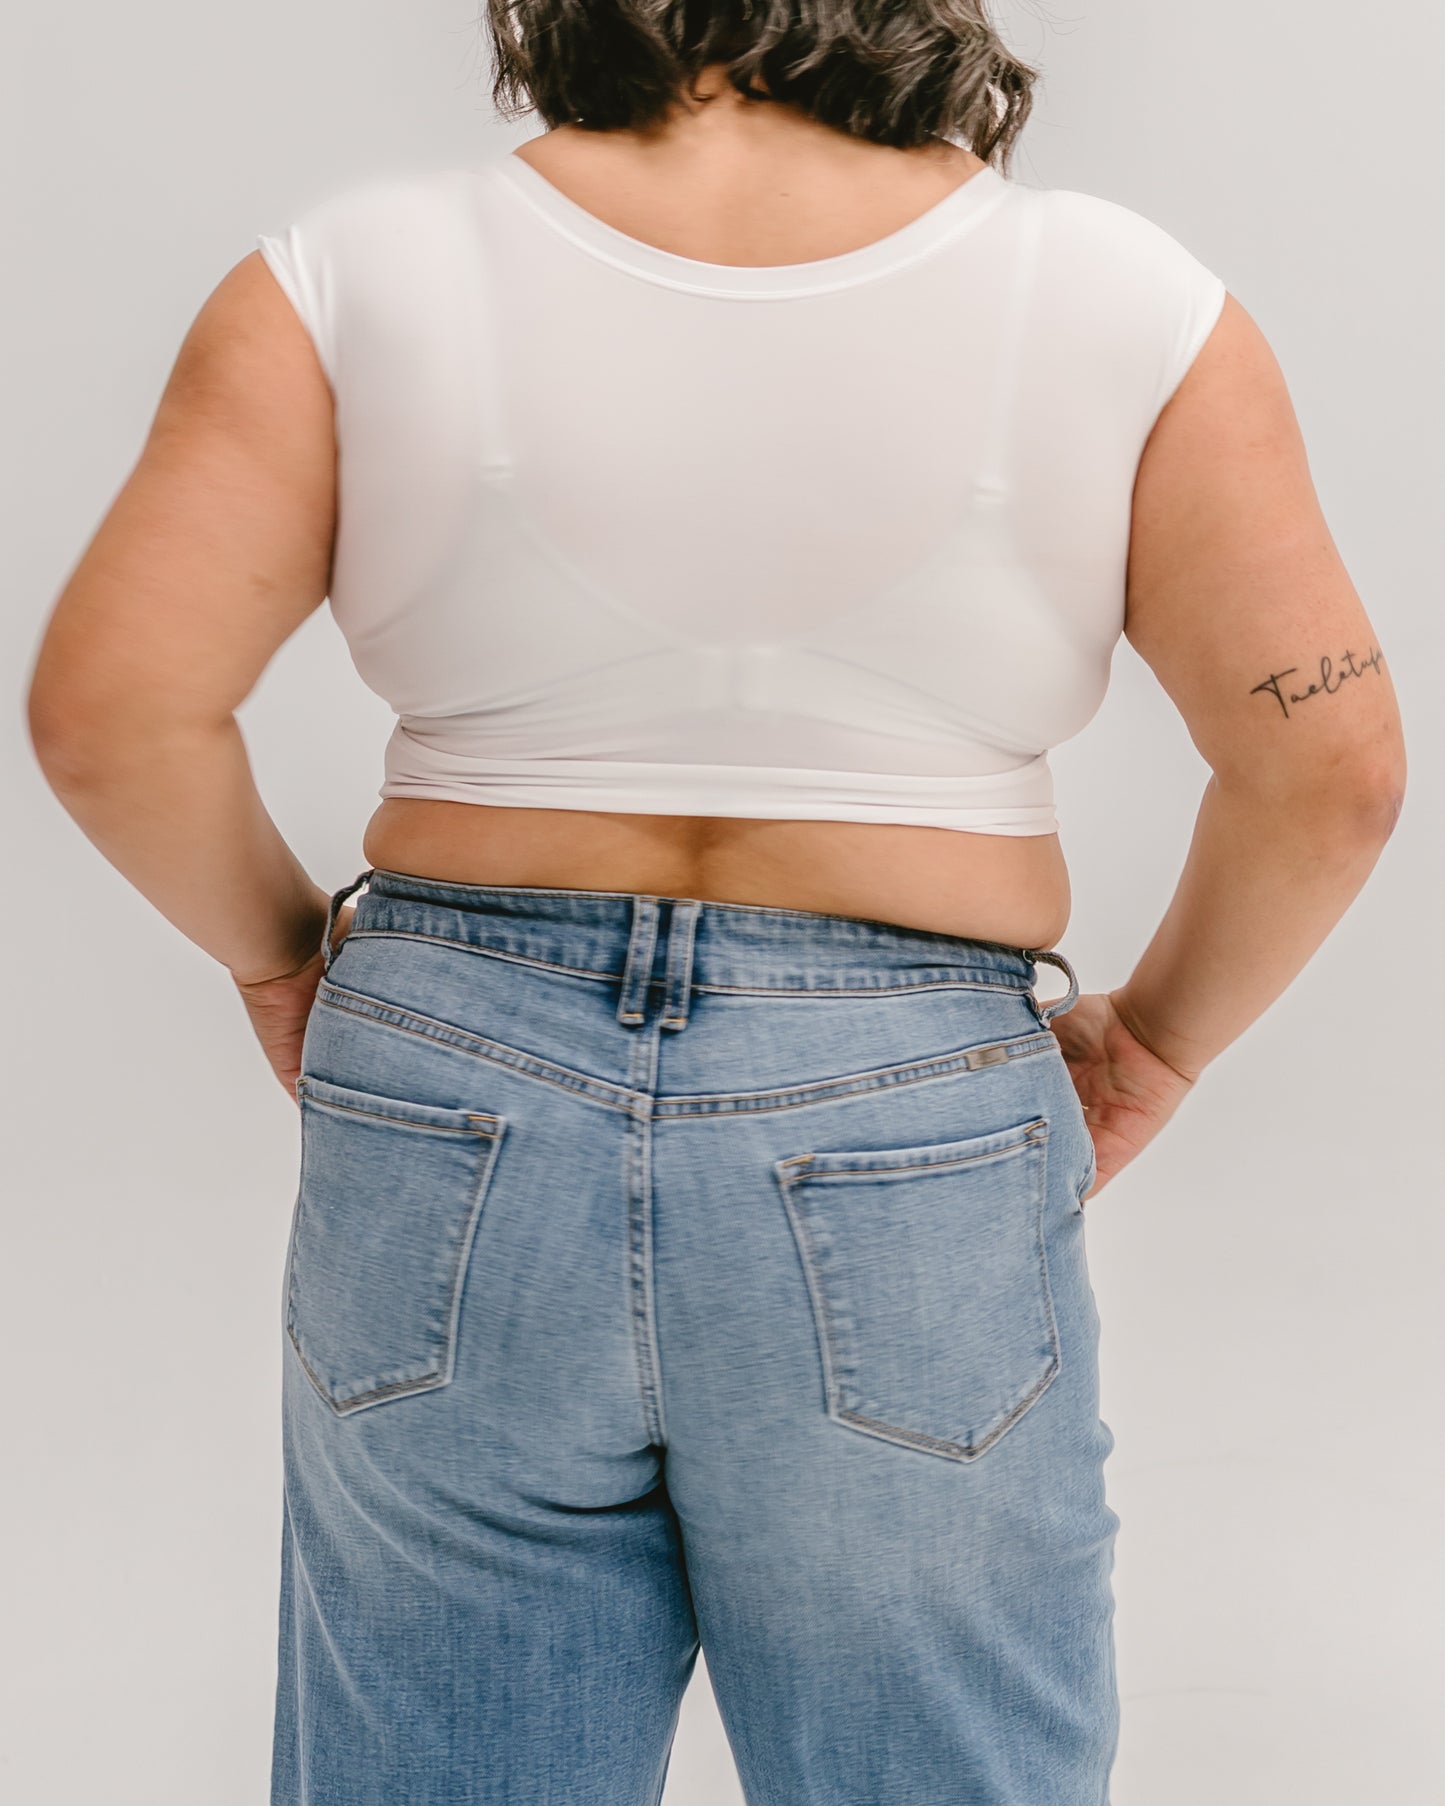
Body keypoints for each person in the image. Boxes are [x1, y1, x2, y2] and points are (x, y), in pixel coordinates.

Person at [25, 4, 1405, 1803]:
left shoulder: (352, 275)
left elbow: (110, 711)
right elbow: (1333, 769)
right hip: (904, 1096)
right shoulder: (1123, 303)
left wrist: (287, 963)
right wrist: (1146, 1048)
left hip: (451, 1074)